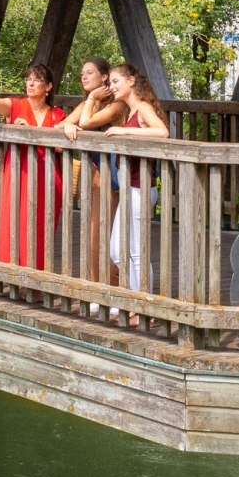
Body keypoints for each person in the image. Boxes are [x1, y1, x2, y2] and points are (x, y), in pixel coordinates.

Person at [0, 62, 66, 270]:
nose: (31, 83)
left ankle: (36, 279)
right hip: (18, 173)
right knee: (11, 221)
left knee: (39, 228)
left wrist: (32, 132)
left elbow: (60, 149)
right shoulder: (16, 106)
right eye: (28, 79)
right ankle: (9, 275)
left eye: (37, 80)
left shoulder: (57, 115)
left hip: (46, 177)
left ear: (48, 87)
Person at [103, 62, 169, 320]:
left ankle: (145, 307)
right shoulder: (130, 111)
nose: (112, 87)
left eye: (116, 82)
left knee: (136, 251)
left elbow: (162, 132)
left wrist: (122, 130)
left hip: (141, 189)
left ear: (131, 81)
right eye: (110, 83)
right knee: (117, 251)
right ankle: (135, 299)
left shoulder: (142, 107)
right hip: (130, 189)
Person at [61, 56, 128, 287]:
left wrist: (90, 100)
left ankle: (119, 287)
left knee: (118, 242)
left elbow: (87, 123)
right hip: (100, 178)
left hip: (120, 178)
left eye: (89, 72)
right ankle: (101, 288)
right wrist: (68, 124)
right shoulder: (87, 103)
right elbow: (60, 125)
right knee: (94, 239)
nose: (84, 76)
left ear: (105, 76)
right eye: (82, 73)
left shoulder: (118, 104)